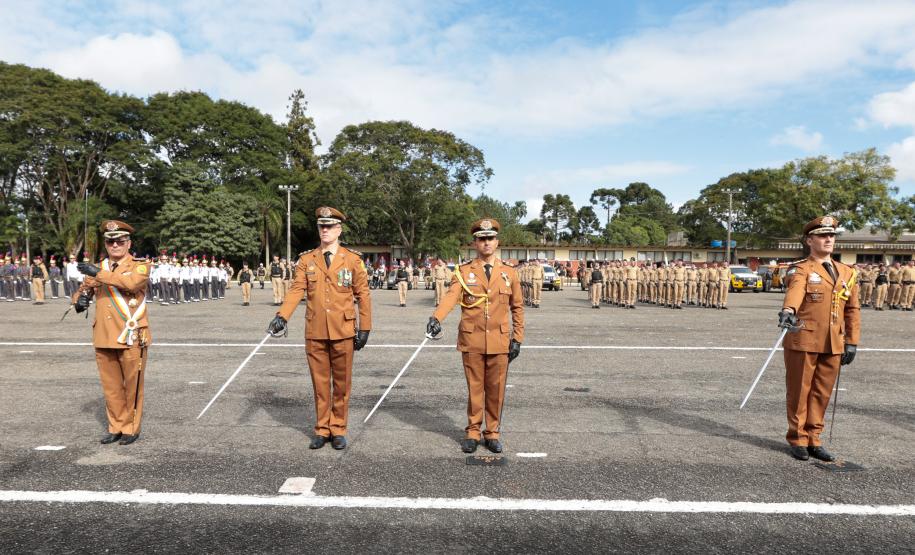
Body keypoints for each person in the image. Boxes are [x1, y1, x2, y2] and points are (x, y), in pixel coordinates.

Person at [266, 207, 371, 450]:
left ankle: (339, 429)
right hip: (315, 330)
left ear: (339, 229)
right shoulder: (307, 260)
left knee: (342, 384)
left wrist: (365, 327)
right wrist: (282, 315)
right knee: (320, 383)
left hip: (343, 330)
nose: (325, 230)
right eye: (321, 226)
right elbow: (296, 291)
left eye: (330, 226)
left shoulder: (353, 260)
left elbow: (363, 296)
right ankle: (322, 429)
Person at [426, 218, 524, 454]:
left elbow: (517, 307)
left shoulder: (509, 273)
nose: (486, 243)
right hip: (472, 339)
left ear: (497, 242)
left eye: (490, 238)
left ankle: (492, 433)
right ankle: (472, 431)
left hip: (500, 340)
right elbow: (451, 297)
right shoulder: (464, 271)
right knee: (475, 388)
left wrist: (518, 338)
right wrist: (436, 317)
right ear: (475, 243)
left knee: (496, 388)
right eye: (482, 239)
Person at [778, 216, 859, 462]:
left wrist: (852, 340)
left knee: (822, 392)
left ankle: (814, 438)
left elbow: (852, 309)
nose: (829, 240)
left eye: (832, 236)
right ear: (809, 240)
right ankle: (798, 438)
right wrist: (788, 311)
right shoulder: (801, 268)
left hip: (833, 342)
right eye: (823, 236)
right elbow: (796, 290)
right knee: (799, 391)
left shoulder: (847, 272)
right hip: (803, 338)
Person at [72, 220, 151, 446]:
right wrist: (80, 301)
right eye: (110, 241)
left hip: (131, 335)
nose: (115, 245)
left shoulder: (140, 265)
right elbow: (81, 291)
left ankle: (130, 428)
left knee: (132, 386)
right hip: (104, 335)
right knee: (111, 386)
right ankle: (115, 426)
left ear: (128, 243)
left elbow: (131, 284)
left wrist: (98, 273)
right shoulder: (99, 268)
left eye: (119, 241)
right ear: (106, 244)